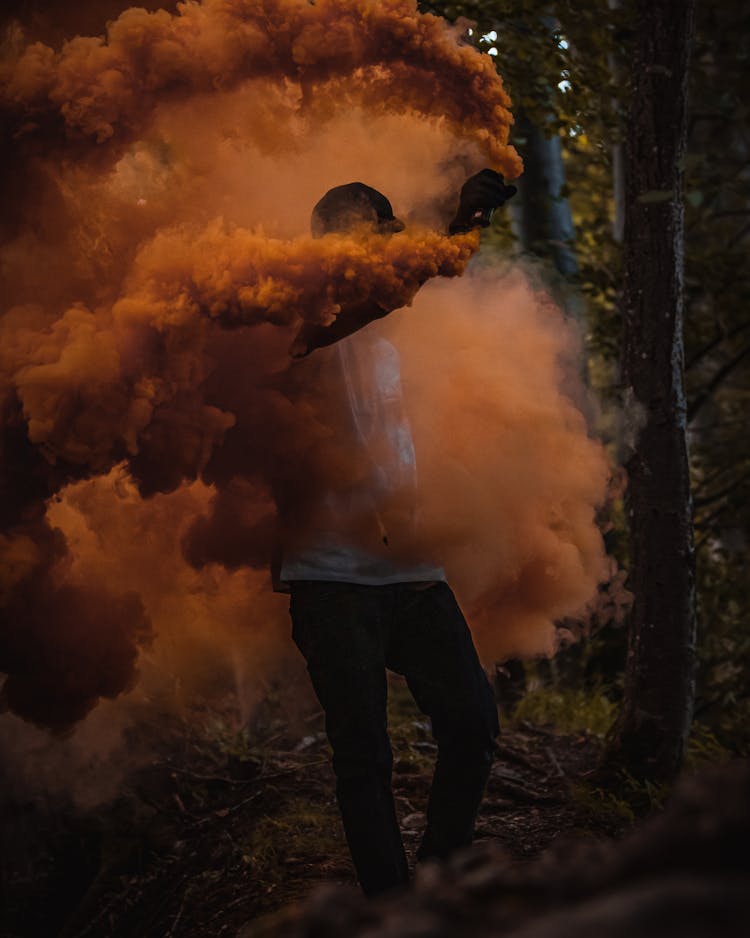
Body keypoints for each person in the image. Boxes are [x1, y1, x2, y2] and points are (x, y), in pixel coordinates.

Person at [280, 170, 516, 897]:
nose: (384, 241)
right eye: (371, 229)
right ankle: (391, 906)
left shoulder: (387, 336)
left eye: (388, 229)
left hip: (411, 570)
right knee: (364, 756)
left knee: (473, 725)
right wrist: (448, 224)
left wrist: (460, 219)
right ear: (332, 239)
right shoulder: (292, 309)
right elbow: (373, 297)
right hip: (329, 575)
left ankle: (441, 880)